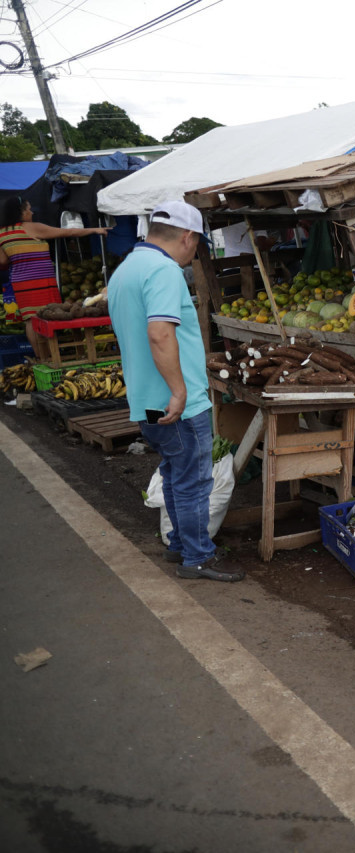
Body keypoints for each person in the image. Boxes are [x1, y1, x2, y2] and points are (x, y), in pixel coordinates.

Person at [108, 201, 243, 583]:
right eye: (196, 244)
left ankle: (180, 545)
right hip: (175, 404)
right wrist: (180, 391)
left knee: (172, 471)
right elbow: (159, 333)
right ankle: (198, 557)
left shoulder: (125, 270)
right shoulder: (163, 271)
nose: (193, 253)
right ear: (187, 237)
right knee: (193, 481)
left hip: (147, 405)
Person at [0, 196, 109, 349]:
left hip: (21, 283)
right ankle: (52, 355)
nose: (31, 213)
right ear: (21, 212)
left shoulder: (3, 233)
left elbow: (3, 262)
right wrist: (94, 230)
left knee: (31, 320)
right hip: (41, 281)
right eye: (29, 209)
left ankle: (40, 357)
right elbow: (68, 232)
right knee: (50, 316)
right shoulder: (32, 227)